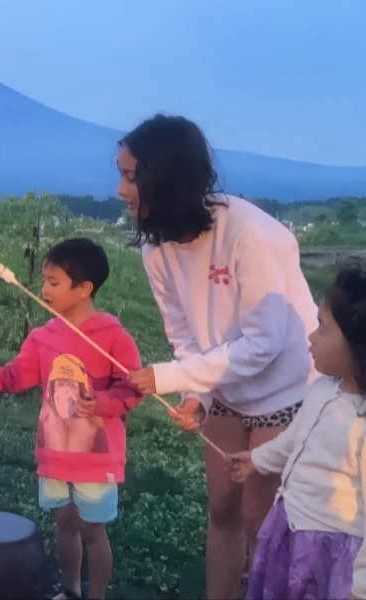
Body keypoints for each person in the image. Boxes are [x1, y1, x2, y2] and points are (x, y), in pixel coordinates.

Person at [119, 114, 319, 599]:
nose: (121, 190)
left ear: (162, 179)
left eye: (130, 176)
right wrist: (196, 397)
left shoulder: (250, 234)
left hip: (287, 387)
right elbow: (186, 339)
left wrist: (167, 377)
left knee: (260, 518)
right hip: (228, 388)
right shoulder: (157, 251)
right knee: (223, 510)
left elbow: (264, 342)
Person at [0, 238, 143, 600]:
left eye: (54, 282)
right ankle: (69, 590)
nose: (44, 290)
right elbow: (10, 378)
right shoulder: (43, 338)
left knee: (92, 530)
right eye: (44, 281)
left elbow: (132, 390)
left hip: (95, 458)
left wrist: (100, 403)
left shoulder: (113, 338)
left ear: (84, 289)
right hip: (54, 455)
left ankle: (96, 596)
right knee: (64, 525)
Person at [229, 266, 366, 600]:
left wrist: (360, 586)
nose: (311, 336)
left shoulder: (360, 423)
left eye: (323, 328)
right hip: (288, 528)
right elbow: (295, 440)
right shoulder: (322, 388)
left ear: (356, 346)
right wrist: (258, 459)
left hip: (330, 553)